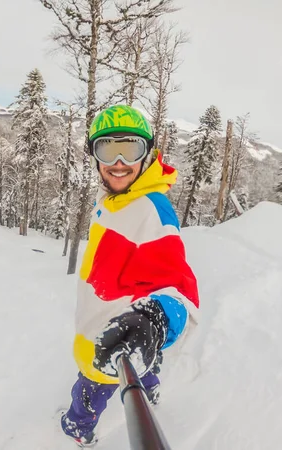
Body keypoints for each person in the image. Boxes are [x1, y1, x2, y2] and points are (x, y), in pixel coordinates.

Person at [60, 104, 200, 447]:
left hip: (113, 333)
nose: (119, 162)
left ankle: (77, 427)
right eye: (108, 149)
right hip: (114, 315)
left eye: (130, 149)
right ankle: (150, 384)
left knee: (89, 389)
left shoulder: (152, 208)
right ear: (96, 157)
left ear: (147, 154)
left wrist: (157, 320)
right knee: (147, 358)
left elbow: (179, 288)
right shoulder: (114, 198)